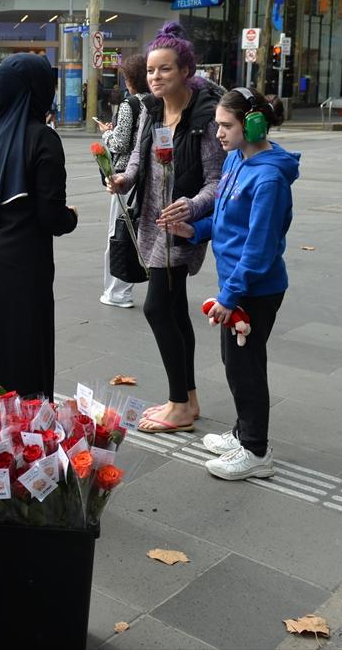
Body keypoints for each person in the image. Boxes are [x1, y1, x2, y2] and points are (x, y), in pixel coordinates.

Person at [167, 87, 299, 480]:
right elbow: (227, 221)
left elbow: (258, 248)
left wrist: (229, 295)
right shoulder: (236, 160)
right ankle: (243, 433)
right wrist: (193, 230)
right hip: (240, 285)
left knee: (246, 369)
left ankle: (256, 451)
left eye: (226, 125)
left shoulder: (269, 179)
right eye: (217, 125)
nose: (219, 133)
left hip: (254, 290)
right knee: (235, 362)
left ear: (253, 124)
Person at [107, 22, 226, 433]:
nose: (156, 77)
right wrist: (124, 179)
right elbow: (138, 158)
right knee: (174, 309)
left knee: (158, 307)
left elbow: (217, 181)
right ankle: (187, 399)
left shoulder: (204, 118)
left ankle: (178, 405)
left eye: (165, 69)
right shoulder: (152, 109)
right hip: (150, 219)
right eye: (151, 70)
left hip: (180, 226)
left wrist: (191, 206)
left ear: (186, 70)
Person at [0, 53, 78, 404]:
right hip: (14, 273)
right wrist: (71, 216)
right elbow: (51, 216)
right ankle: (21, 440)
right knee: (18, 375)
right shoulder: (42, 138)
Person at [95, 53, 149, 309]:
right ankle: (124, 287)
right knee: (135, 232)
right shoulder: (155, 101)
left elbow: (120, 143)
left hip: (125, 175)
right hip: (146, 174)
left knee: (118, 233)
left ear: (130, 79)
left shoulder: (130, 104)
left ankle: (117, 292)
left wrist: (106, 135)